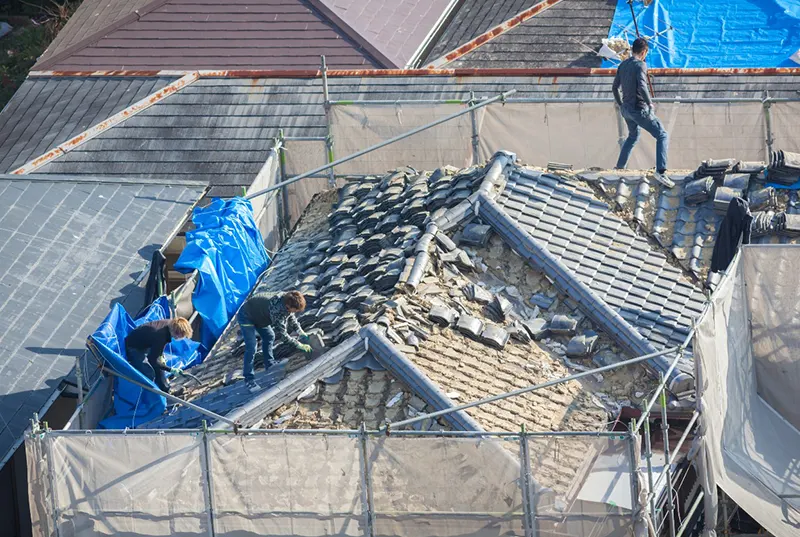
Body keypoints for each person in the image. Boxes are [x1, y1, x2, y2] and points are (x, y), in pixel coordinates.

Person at [612, 37, 673, 188]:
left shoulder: (623, 65)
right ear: (644, 52)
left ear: (632, 49)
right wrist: (649, 103)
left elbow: (614, 88)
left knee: (633, 136)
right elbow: (641, 85)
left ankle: (619, 168)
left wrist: (621, 105)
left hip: (626, 110)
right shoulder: (641, 65)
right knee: (662, 135)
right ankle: (661, 171)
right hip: (639, 109)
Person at [238, 290, 312, 392]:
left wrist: (300, 330)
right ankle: (249, 380)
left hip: (260, 315)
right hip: (246, 316)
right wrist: (298, 344)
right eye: (293, 310)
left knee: (269, 336)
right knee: (251, 347)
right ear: (287, 306)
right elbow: (283, 336)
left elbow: (291, 316)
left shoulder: (287, 300)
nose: (294, 312)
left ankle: (270, 363)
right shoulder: (277, 310)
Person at [125, 317, 193, 394]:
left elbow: (159, 348)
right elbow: (152, 360)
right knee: (149, 373)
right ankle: (153, 399)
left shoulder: (170, 324)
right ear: (177, 333)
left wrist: (160, 357)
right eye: (181, 335)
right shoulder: (160, 335)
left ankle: (167, 391)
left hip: (145, 343)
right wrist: (170, 369)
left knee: (160, 366)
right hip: (134, 347)